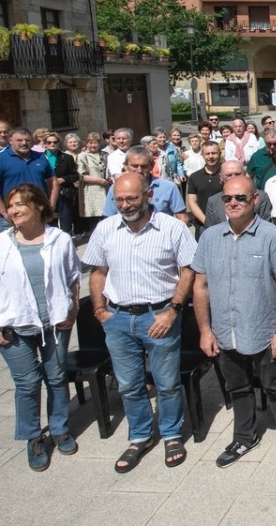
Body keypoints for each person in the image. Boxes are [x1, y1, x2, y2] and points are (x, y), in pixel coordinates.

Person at [84, 172, 197, 473]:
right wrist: (99, 310)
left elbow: (189, 271)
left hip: (158, 315)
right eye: (119, 199)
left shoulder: (172, 228)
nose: (125, 204)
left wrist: (173, 310)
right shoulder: (106, 229)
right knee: (129, 385)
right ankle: (140, 436)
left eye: (131, 198)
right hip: (118, 317)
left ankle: (172, 434)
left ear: (148, 196)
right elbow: (97, 271)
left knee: (167, 383)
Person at [193, 175, 276, 471]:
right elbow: (200, 285)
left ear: (255, 200)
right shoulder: (209, 237)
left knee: (274, 385)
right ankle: (244, 435)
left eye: (240, 198)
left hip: (264, 330)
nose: (233, 203)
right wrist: (205, 330)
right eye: (227, 198)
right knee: (237, 387)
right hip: (226, 330)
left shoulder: (271, 235)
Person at [0, 184, 81, 471]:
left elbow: (73, 277)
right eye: (11, 206)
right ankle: (33, 437)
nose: (14, 210)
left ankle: (59, 429)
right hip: (13, 325)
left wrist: (73, 308)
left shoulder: (59, 239)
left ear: (38, 207)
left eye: (21, 204)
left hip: (55, 323)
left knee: (56, 377)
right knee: (27, 383)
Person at [0, 127, 57, 235]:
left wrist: (51, 206)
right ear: (10, 141)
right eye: (19, 140)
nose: (24, 143)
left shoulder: (40, 157)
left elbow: (53, 182)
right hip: (13, 215)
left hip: (38, 213)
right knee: (12, 249)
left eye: (27, 140)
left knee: (42, 245)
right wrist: (4, 212)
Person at [102, 148, 189, 223]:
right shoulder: (116, 188)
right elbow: (109, 218)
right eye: (134, 166)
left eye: (144, 166)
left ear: (152, 166)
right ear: (125, 166)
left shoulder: (168, 187)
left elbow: (182, 217)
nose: (139, 170)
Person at [203, 161, 274, 228]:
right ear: (221, 177)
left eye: (237, 174)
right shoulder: (213, 201)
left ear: (244, 174)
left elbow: (266, 228)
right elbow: (210, 231)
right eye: (229, 175)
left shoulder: (261, 197)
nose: (234, 177)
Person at [43, 132, 79, 234]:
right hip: (46, 192)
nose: (52, 144)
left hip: (63, 192)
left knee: (66, 218)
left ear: (59, 143)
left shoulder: (66, 157)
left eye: (55, 142)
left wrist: (62, 179)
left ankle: (66, 240)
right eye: (49, 142)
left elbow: (74, 175)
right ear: (45, 143)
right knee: (49, 217)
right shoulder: (40, 158)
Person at [186, 140, 224, 234]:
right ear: (202, 155)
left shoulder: (227, 174)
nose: (211, 156)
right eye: (207, 154)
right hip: (202, 226)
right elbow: (192, 202)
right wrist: (207, 222)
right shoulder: (194, 177)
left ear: (220, 154)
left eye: (214, 153)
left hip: (225, 224)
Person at [76, 133, 110, 234]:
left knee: (107, 215)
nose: (93, 145)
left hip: (106, 189)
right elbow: (81, 175)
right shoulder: (82, 156)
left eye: (95, 143)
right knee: (94, 217)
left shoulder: (105, 154)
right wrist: (99, 180)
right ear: (86, 144)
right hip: (92, 189)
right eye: (90, 143)